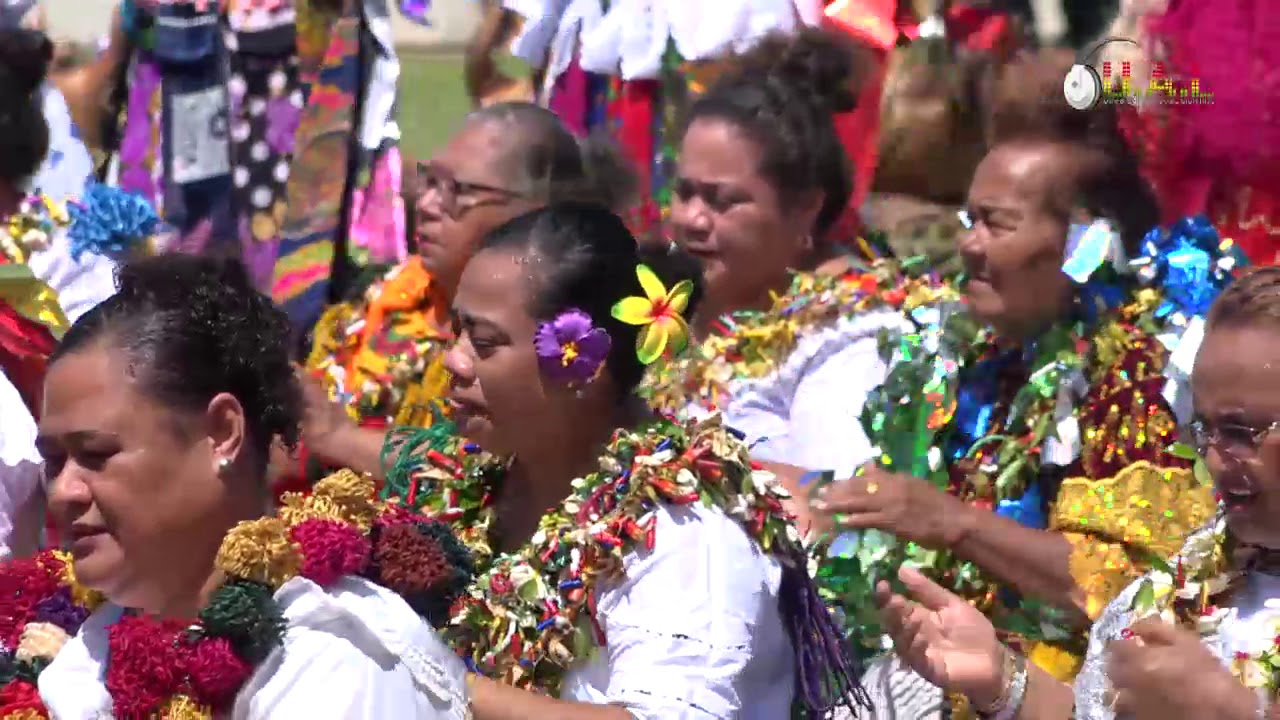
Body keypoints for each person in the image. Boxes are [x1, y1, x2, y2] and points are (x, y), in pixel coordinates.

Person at [813, 62, 1222, 716]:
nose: (968, 245)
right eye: (968, 218)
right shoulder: (987, 349)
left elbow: (1127, 587)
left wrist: (950, 523)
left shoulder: (1140, 374)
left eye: (995, 223)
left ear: (1083, 242)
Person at [379, 202, 865, 717]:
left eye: (484, 342)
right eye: (456, 332)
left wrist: (440, 682)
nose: (453, 360)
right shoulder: (474, 482)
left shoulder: (681, 524)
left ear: (582, 362)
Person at [14, 254, 474, 718]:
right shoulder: (94, 649)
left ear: (222, 433)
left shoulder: (331, 663)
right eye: (54, 461)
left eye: (96, 454)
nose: (63, 491)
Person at [872, 265, 1280, 720]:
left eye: (1242, 431)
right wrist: (999, 678)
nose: (1216, 460)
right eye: (1204, 429)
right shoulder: (1186, 579)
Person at [641, 28, 944, 522]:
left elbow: (836, 508)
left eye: (723, 200)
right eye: (685, 193)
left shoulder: (854, 332)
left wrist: (659, 470)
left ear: (805, 209)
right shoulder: (671, 300)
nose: (693, 219)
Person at [297, 102, 637, 486]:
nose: (425, 206)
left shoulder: (555, 329)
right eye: (429, 181)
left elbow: (490, 471)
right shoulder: (380, 296)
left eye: (459, 190)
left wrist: (339, 438)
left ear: (536, 209)